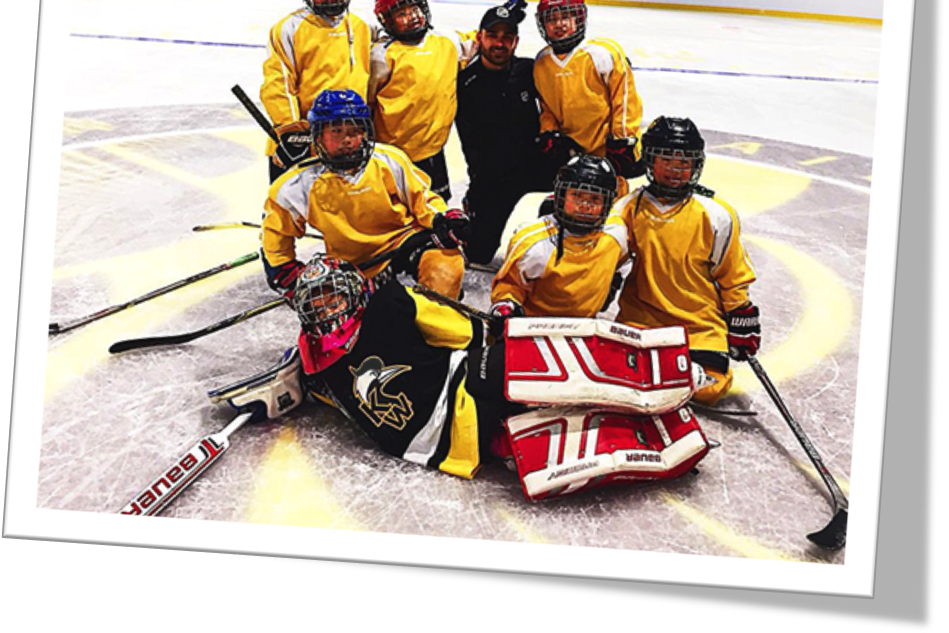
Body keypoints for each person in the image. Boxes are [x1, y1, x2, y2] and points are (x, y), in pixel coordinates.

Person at [210, 253, 711, 501]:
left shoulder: (344, 339)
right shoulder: (333, 347)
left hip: (450, 432)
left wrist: (490, 338)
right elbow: (469, 332)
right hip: (454, 424)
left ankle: (652, 402)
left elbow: (460, 327)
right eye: (316, 305)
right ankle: (652, 435)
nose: (327, 312)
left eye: (333, 299)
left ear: (352, 293)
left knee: (523, 393)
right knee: (529, 419)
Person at [260, 88, 470, 301]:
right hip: (351, 265)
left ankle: (437, 321)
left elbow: (423, 200)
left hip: (404, 242)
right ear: (318, 135)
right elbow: (276, 233)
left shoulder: (389, 160)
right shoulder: (297, 184)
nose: (347, 140)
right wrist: (283, 267)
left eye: (355, 131)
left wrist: (442, 218)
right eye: (336, 131)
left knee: (446, 266)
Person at [614, 116, 761, 406]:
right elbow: (606, 255)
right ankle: (669, 375)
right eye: (665, 160)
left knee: (710, 389)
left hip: (699, 327)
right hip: (640, 320)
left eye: (684, 163)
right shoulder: (628, 207)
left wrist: (740, 316)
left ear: (696, 165)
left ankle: (666, 374)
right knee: (617, 374)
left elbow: (732, 274)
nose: (675, 170)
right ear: (649, 161)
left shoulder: (716, 214)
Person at [454, 0, 556, 266]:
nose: (499, 43)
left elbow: (565, 84)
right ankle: (473, 204)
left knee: (575, 183)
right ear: (479, 38)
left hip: (533, 165)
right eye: (492, 35)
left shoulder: (528, 71)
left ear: (516, 41)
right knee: (478, 254)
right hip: (491, 179)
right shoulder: (463, 81)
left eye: (507, 37)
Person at [259, 0, 373, 182]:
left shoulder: (361, 27)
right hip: (302, 144)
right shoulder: (289, 29)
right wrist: (292, 133)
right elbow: (279, 85)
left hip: (346, 142)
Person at [368, 0, 476, 202]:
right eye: (402, 13)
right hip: (393, 155)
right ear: (387, 21)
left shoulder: (446, 42)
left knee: (436, 208)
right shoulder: (381, 56)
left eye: (415, 9)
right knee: (395, 211)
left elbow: (476, 41)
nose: (413, 16)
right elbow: (366, 101)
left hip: (434, 152)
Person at [490, 155, 629, 320]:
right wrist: (506, 304)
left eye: (595, 198)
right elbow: (510, 285)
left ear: (607, 203)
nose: (584, 205)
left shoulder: (616, 233)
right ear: (561, 196)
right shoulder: (532, 242)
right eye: (577, 195)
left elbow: (622, 260)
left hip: (584, 327)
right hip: (533, 326)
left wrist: (612, 280)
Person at [532, 0, 644, 188]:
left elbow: (624, 97)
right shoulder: (541, 63)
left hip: (609, 151)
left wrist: (623, 140)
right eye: (551, 19)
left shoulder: (602, 53)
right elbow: (546, 107)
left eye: (566, 16)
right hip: (571, 153)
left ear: (579, 17)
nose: (559, 24)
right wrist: (549, 132)